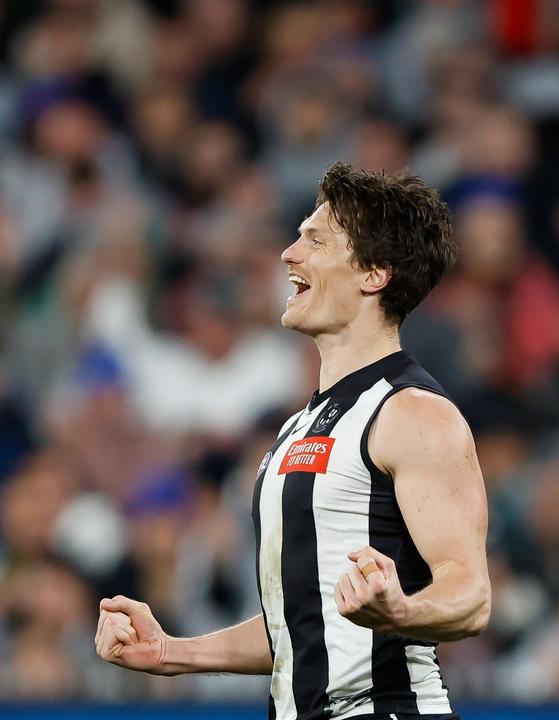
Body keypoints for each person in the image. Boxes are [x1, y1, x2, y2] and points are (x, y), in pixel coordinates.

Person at [94, 162, 491, 720]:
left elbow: (470, 595)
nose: (288, 253)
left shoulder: (414, 414)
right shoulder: (298, 425)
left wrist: (400, 610)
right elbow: (302, 620)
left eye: (315, 240)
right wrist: (172, 653)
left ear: (374, 273)